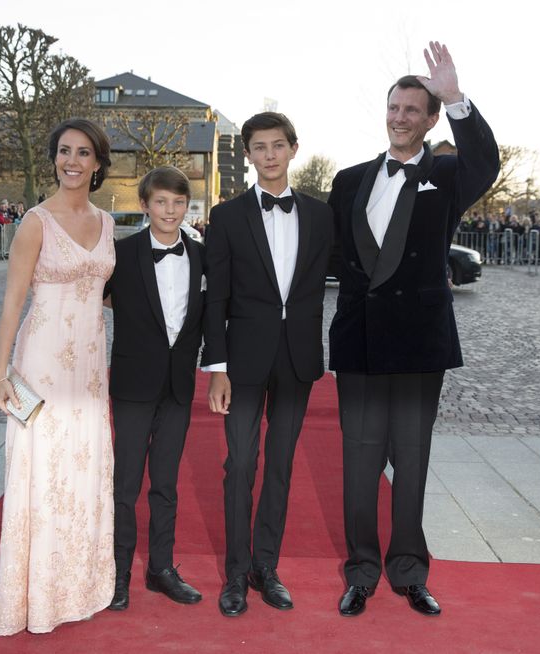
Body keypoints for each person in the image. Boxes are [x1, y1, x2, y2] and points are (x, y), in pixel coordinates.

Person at [326, 42, 499, 618]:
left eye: (412, 110)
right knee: (358, 465)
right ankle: (360, 571)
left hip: (419, 344)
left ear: (428, 120)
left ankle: (409, 571)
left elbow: (486, 162)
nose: (400, 118)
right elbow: (329, 256)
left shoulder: (447, 174)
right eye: (393, 108)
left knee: (413, 461)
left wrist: (456, 97)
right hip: (360, 342)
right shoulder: (349, 180)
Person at [0, 118, 116, 635]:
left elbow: (105, 291)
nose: (72, 161)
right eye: (64, 151)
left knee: (82, 473)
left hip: (89, 367)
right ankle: (33, 597)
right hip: (40, 364)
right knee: (40, 475)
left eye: (83, 153)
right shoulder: (36, 222)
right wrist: (0, 375)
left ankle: (77, 586)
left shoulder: (107, 223)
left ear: (98, 164)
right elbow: (12, 303)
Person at [203, 112, 334, 616]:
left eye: (278, 145)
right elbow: (216, 298)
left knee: (279, 466)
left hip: (298, 359)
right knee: (240, 465)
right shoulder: (228, 216)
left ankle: (266, 567)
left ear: (293, 149)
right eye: (259, 147)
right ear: (249, 155)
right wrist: (216, 366)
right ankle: (235, 574)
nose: (270, 155)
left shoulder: (321, 216)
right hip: (241, 361)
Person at [104, 166, 206, 611]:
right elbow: (97, 300)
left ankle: (160, 567)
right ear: (145, 205)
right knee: (125, 484)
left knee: (166, 483)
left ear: (188, 206)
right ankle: (118, 572)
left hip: (178, 386)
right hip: (131, 385)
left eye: (178, 202)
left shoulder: (203, 256)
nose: (170, 210)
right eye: (161, 202)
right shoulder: (120, 254)